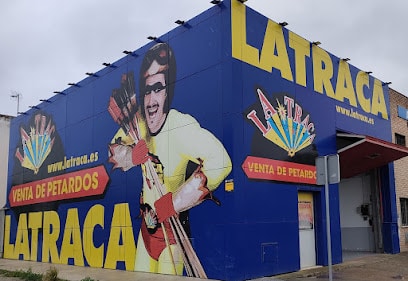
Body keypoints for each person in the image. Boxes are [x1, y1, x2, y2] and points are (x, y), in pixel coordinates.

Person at [108, 43, 232, 276]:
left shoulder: (179, 126)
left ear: (168, 91)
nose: (151, 100)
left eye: (158, 88)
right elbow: (114, 151)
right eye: (147, 90)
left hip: (173, 233)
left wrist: (172, 204)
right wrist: (131, 155)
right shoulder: (138, 124)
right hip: (146, 231)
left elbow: (221, 161)